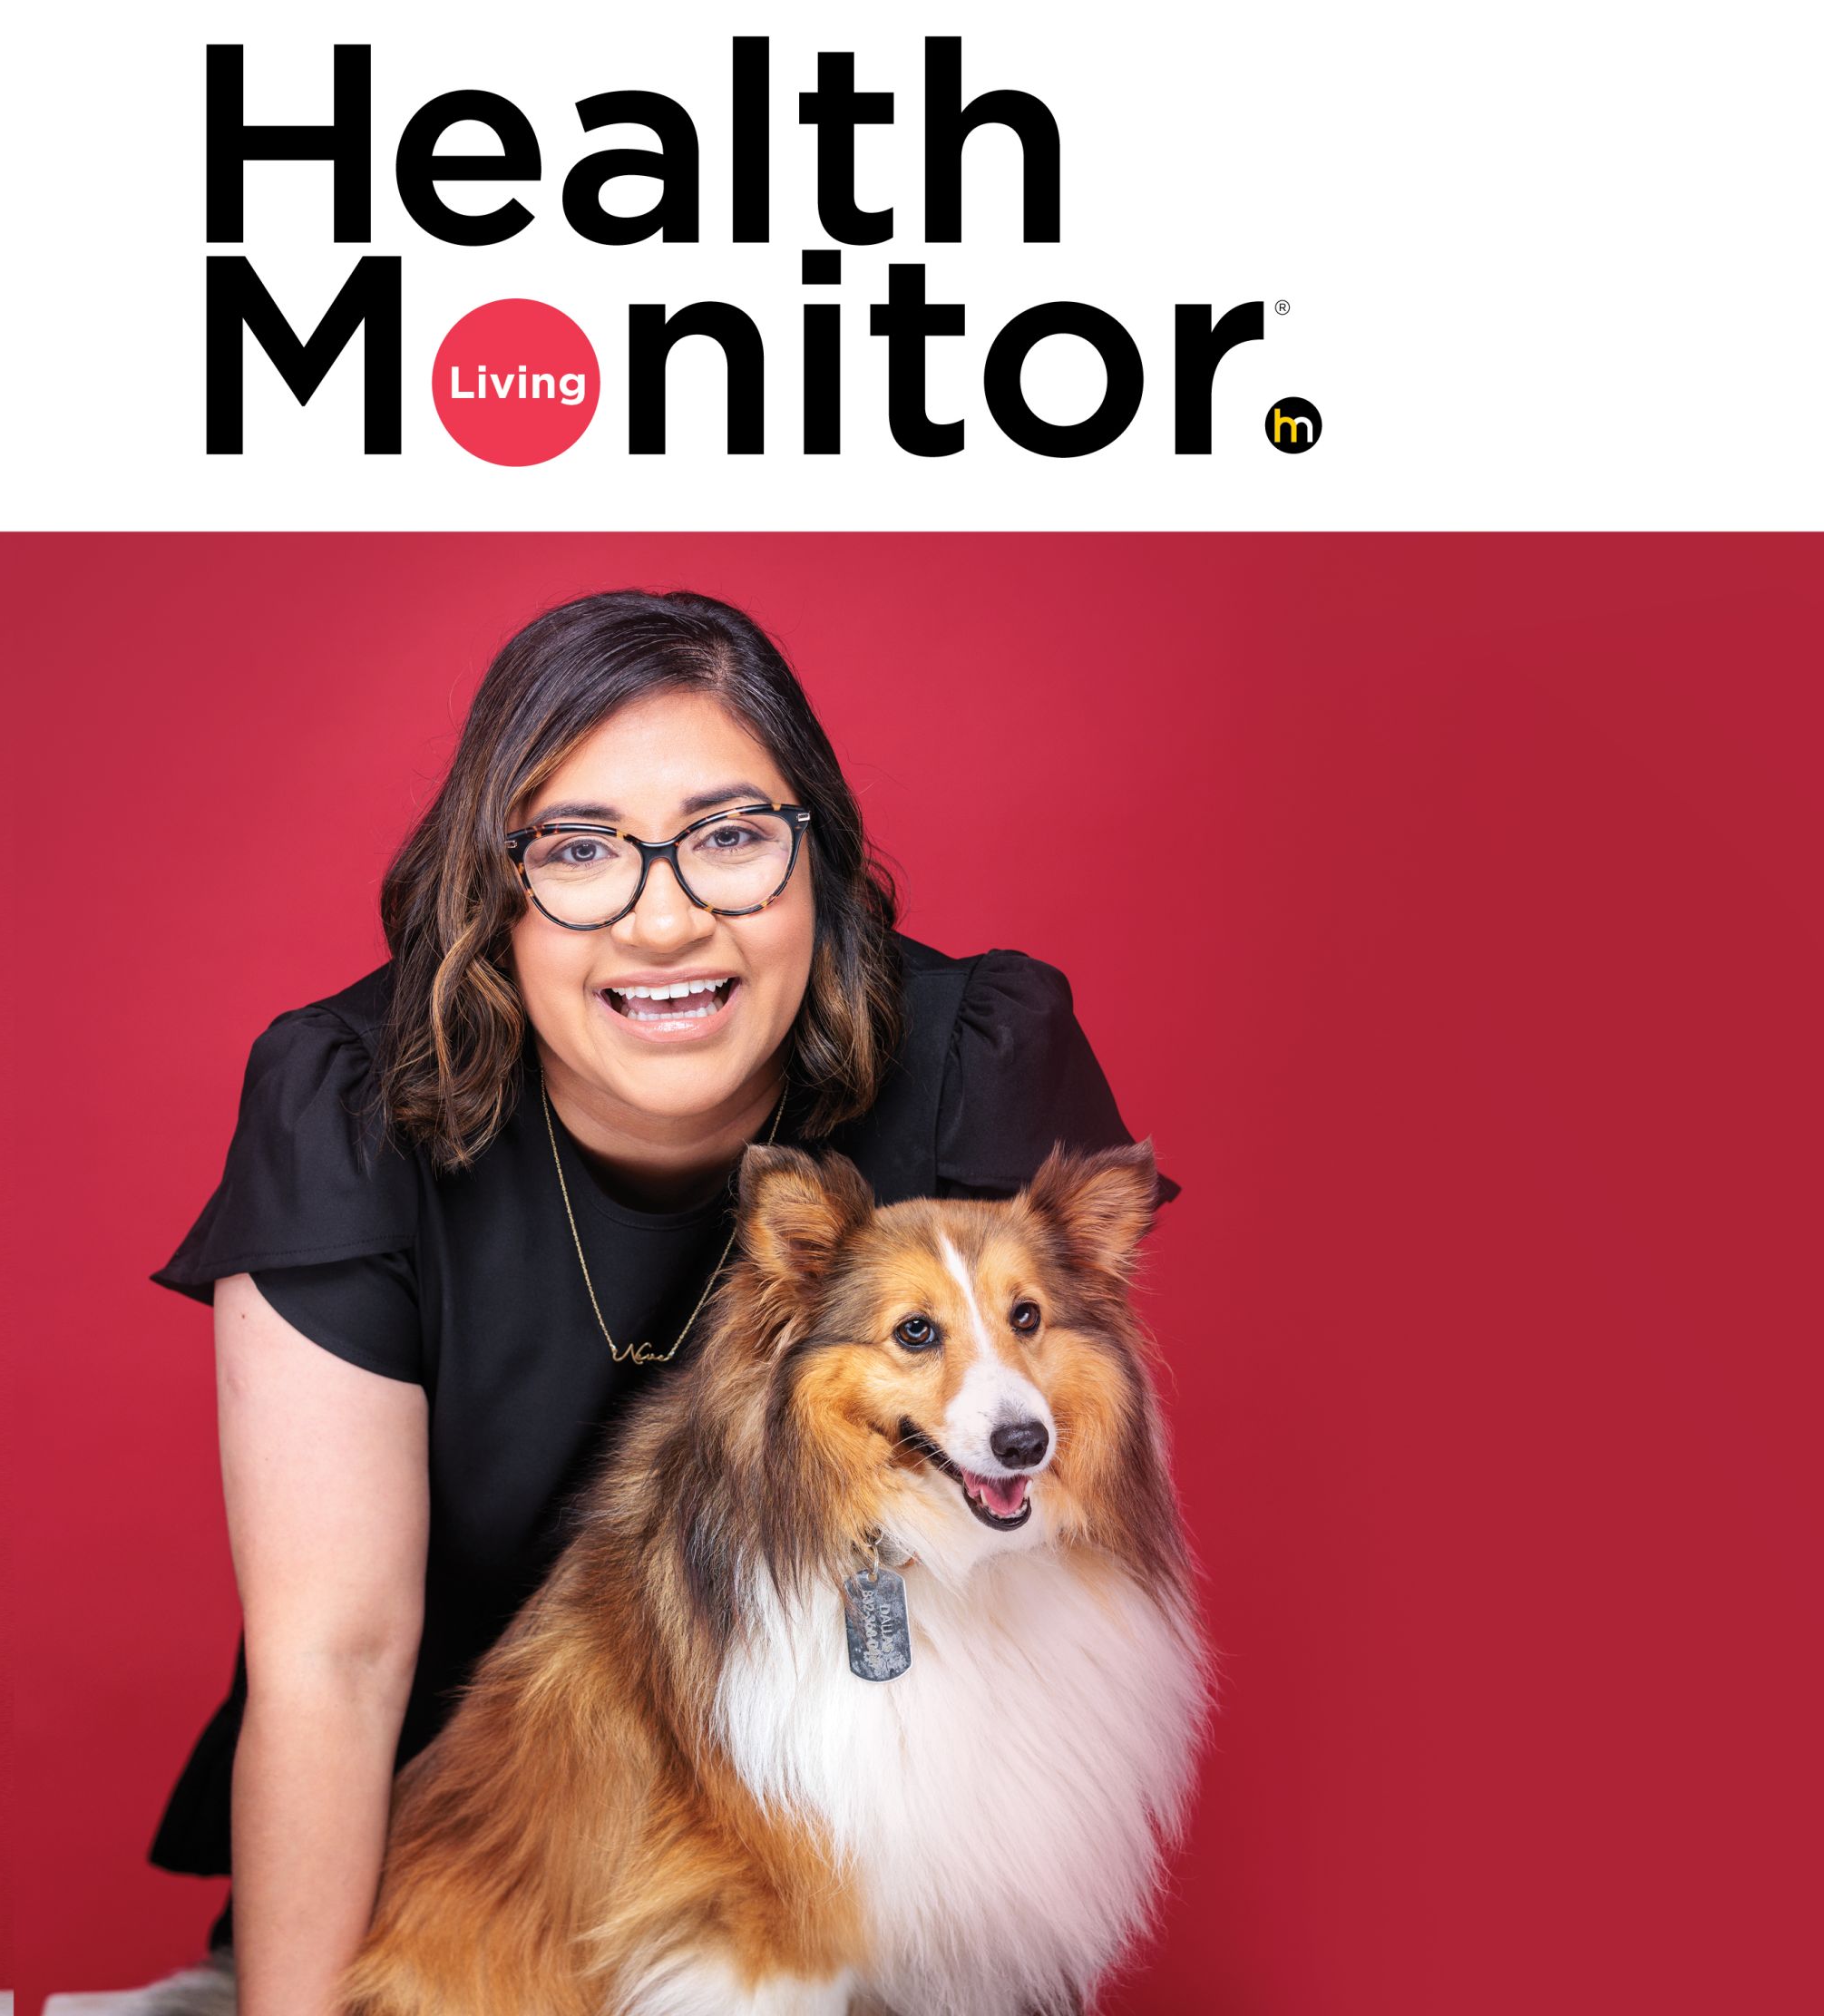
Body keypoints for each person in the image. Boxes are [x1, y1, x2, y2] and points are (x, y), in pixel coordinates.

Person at [144, 589, 1172, 2016]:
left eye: (733, 837)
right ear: (488, 889)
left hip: (865, 1889)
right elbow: (335, 1657)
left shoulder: (977, 1061)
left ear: (820, 857)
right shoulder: (343, 1112)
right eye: (579, 852)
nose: (667, 916)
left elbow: (1056, 1531)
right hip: (475, 1875)